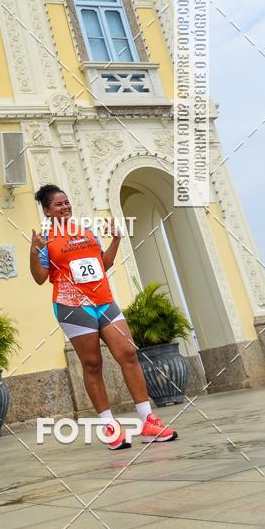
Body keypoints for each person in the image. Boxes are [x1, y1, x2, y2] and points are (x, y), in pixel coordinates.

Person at [30, 184, 178, 449]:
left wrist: (117, 239)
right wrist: (34, 251)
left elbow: (103, 264)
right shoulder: (46, 239)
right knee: (92, 364)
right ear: (47, 210)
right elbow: (40, 279)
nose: (65, 207)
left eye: (66, 202)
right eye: (58, 204)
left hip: (104, 301)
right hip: (72, 306)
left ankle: (149, 422)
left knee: (129, 354)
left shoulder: (86, 232)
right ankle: (110, 426)